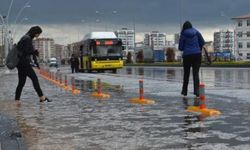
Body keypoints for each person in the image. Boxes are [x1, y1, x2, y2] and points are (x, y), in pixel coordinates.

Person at [15, 26, 52, 102]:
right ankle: (41, 97)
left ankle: (17, 100)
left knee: (21, 82)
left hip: (20, 63)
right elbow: (26, 51)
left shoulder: (25, 38)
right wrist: (34, 52)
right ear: (35, 33)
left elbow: (29, 51)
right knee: (34, 79)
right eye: (38, 34)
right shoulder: (27, 39)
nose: (38, 35)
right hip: (24, 63)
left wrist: (36, 61)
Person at [178, 21, 205, 98]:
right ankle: (197, 92)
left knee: (186, 74)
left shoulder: (183, 34)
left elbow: (180, 47)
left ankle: (184, 91)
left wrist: (186, 47)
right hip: (197, 55)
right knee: (195, 73)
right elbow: (202, 42)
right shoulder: (196, 32)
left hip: (187, 56)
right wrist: (197, 48)